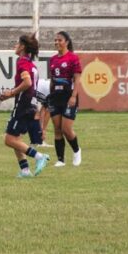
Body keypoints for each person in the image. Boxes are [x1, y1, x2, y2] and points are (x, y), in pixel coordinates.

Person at [0, 34, 50, 178]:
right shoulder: (32, 65)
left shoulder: (22, 62)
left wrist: (11, 93)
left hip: (23, 105)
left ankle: (40, 156)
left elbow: (27, 83)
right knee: (16, 139)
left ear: (22, 47)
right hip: (30, 104)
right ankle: (25, 170)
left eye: (17, 43)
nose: (15, 45)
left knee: (9, 140)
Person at [49, 31, 83, 167]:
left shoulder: (73, 58)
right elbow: (52, 79)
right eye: (55, 40)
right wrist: (49, 95)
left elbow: (77, 79)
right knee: (57, 128)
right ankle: (60, 160)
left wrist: (74, 96)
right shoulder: (53, 59)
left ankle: (76, 150)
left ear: (67, 42)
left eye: (60, 40)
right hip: (55, 97)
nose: (57, 42)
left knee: (66, 129)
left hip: (68, 97)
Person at [28, 78, 52, 148]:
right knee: (34, 113)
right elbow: (46, 111)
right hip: (33, 88)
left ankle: (38, 140)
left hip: (34, 86)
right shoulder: (55, 92)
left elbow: (44, 110)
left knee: (36, 113)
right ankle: (38, 140)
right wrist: (43, 130)